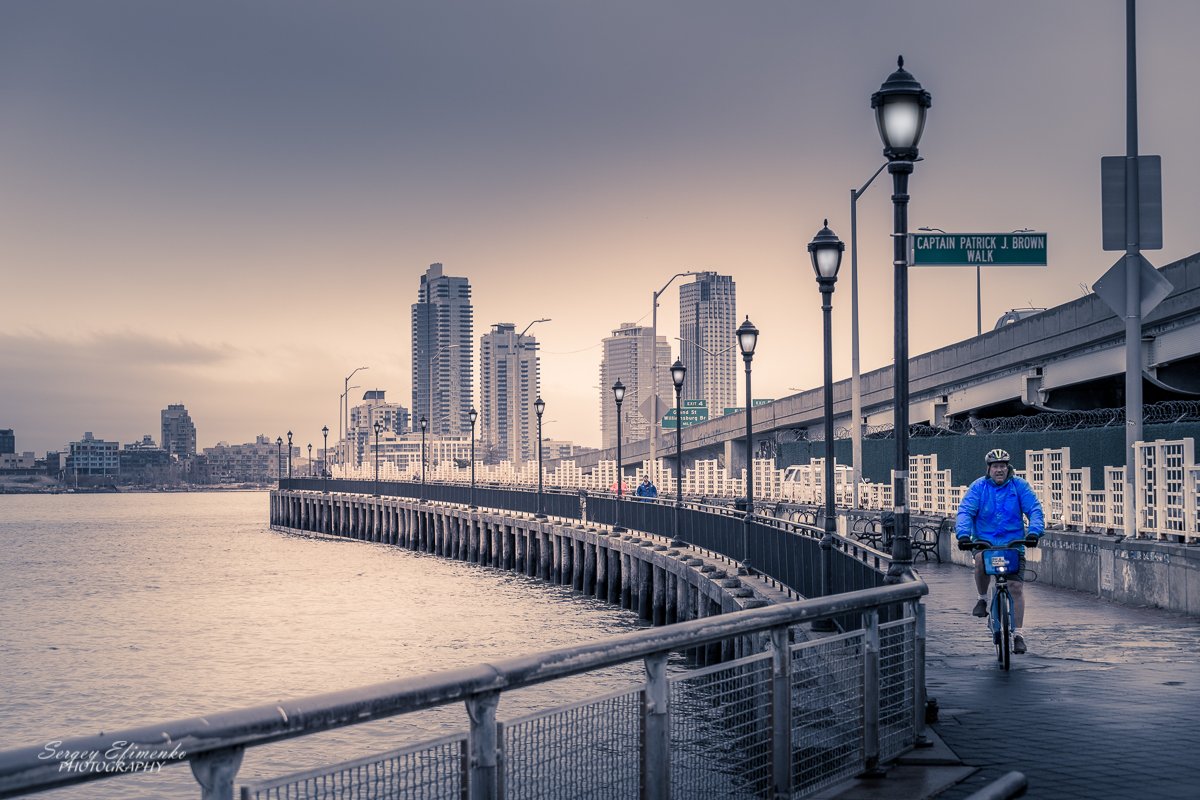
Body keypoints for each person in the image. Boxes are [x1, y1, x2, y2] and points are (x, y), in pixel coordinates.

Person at [955, 448, 1044, 655]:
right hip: (985, 543)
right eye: (995, 466)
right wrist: (963, 536)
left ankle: (1019, 635)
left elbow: (1034, 509)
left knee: (1015, 587)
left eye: (1003, 466)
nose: (999, 470)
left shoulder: (1019, 486)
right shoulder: (978, 487)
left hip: (1013, 543)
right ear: (989, 469)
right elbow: (966, 512)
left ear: (1008, 468)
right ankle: (982, 599)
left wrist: (1034, 532)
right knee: (979, 562)